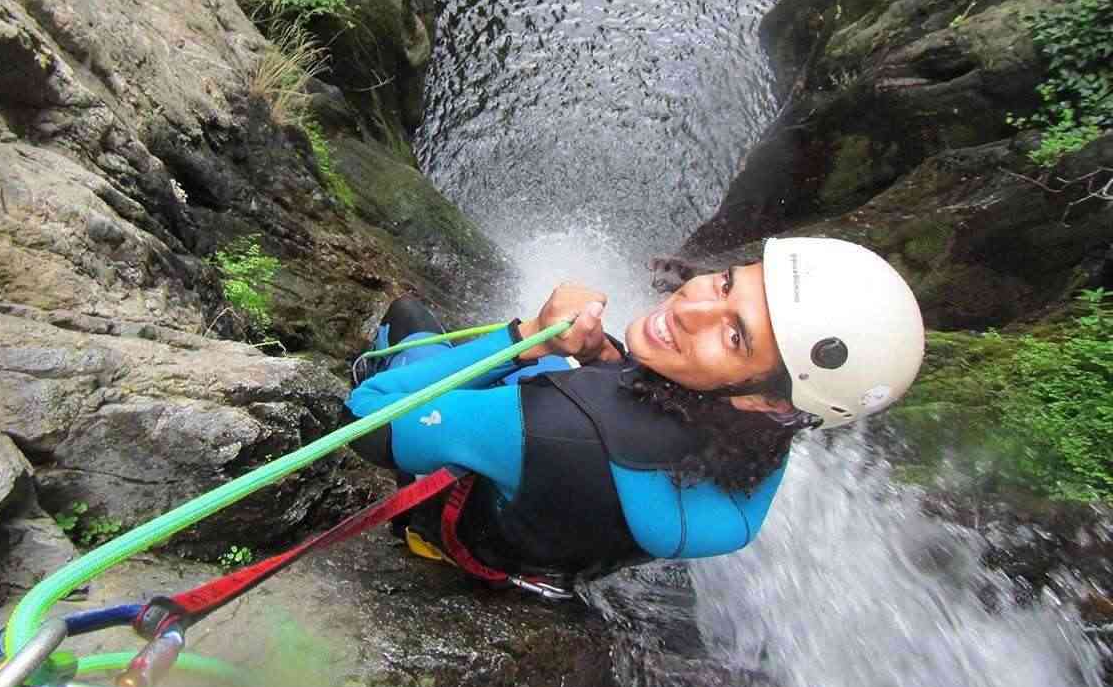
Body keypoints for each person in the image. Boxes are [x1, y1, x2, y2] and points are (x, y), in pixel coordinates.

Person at [344, 237, 924, 595]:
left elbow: (366, 421)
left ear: (767, 400)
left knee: (409, 315)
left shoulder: (550, 424)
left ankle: (413, 525)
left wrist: (524, 341)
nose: (692, 306)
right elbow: (631, 430)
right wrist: (603, 358)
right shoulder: (759, 442)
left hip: (463, 534)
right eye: (725, 283)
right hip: (550, 557)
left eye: (733, 334)